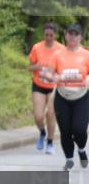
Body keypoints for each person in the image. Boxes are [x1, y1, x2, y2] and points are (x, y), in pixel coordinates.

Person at [46, 24, 89, 171]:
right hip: (62, 96)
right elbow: (48, 74)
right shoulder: (57, 54)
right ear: (65, 35)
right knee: (65, 130)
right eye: (70, 33)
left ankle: (82, 149)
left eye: (75, 34)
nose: (72, 36)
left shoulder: (86, 55)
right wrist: (51, 76)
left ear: (80, 37)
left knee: (79, 129)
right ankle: (69, 159)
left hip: (82, 97)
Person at [29, 22, 63, 153]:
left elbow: (64, 67)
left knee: (50, 114)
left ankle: (50, 142)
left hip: (54, 86)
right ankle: (42, 133)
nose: (48, 37)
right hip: (39, 84)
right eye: (46, 35)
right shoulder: (37, 47)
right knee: (38, 116)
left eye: (51, 35)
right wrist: (37, 67)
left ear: (55, 35)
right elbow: (29, 67)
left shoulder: (60, 49)